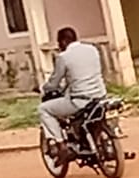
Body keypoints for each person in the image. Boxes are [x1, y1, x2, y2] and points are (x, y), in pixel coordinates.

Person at [40, 27, 106, 165]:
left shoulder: (63, 57)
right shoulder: (92, 49)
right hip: (100, 96)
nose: (59, 47)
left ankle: (61, 145)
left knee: (44, 109)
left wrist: (44, 88)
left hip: (80, 101)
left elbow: (54, 81)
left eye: (59, 43)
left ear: (64, 41)